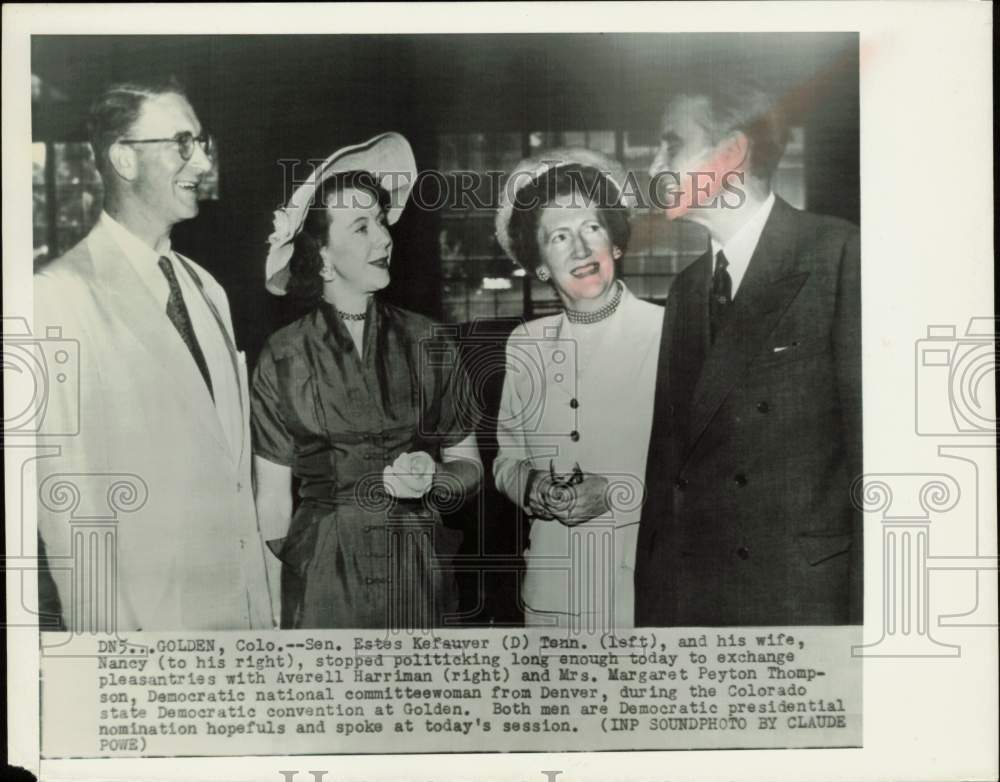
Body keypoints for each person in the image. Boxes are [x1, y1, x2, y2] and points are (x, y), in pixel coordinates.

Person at [33, 79, 272, 631]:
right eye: (182, 143)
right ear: (124, 158)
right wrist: (113, 662)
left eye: (203, 141)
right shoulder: (58, 295)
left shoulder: (206, 288)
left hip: (240, 630)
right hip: (150, 636)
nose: (203, 160)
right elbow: (70, 512)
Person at [634, 73, 862, 626]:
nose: (654, 168)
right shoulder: (688, 289)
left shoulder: (839, 255)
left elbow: (876, 471)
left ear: (732, 151)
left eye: (672, 144)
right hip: (695, 606)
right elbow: (666, 474)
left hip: (801, 603)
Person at [252, 133, 481, 629]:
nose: (383, 237)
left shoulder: (430, 341)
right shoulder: (283, 355)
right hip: (321, 580)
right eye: (361, 227)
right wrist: (272, 608)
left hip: (418, 573)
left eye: (380, 221)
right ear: (322, 257)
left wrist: (435, 477)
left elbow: (469, 466)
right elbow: (271, 498)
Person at [493, 149, 664, 632]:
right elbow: (507, 460)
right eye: (559, 237)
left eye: (592, 228)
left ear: (616, 242)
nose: (581, 250)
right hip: (552, 597)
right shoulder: (525, 344)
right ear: (540, 263)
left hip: (643, 592)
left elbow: (700, 474)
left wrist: (616, 493)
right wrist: (533, 487)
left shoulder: (669, 333)